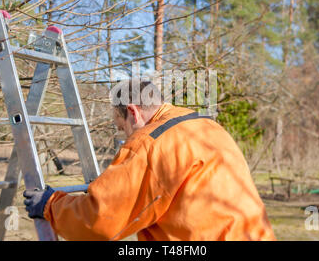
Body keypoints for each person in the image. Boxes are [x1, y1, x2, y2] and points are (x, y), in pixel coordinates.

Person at [23, 79, 276, 241]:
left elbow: (99, 220)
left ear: (132, 112)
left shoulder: (150, 143)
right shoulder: (205, 125)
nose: (125, 136)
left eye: (122, 127)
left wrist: (50, 205)